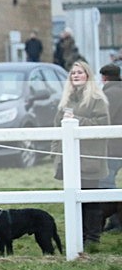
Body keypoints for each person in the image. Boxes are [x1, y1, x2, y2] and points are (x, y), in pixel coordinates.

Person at [52, 61, 110, 251]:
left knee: (90, 200)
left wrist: (77, 121)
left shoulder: (97, 99)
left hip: (90, 158)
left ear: (88, 75)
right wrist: (55, 153)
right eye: (73, 73)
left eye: (80, 72)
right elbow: (55, 128)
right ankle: (76, 236)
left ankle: (92, 239)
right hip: (69, 159)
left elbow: (102, 125)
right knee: (72, 199)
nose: (75, 75)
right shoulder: (65, 101)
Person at [99, 64, 122, 191]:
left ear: (104, 77)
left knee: (106, 182)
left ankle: (113, 210)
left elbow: (105, 119)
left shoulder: (109, 94)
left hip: (114, 146)